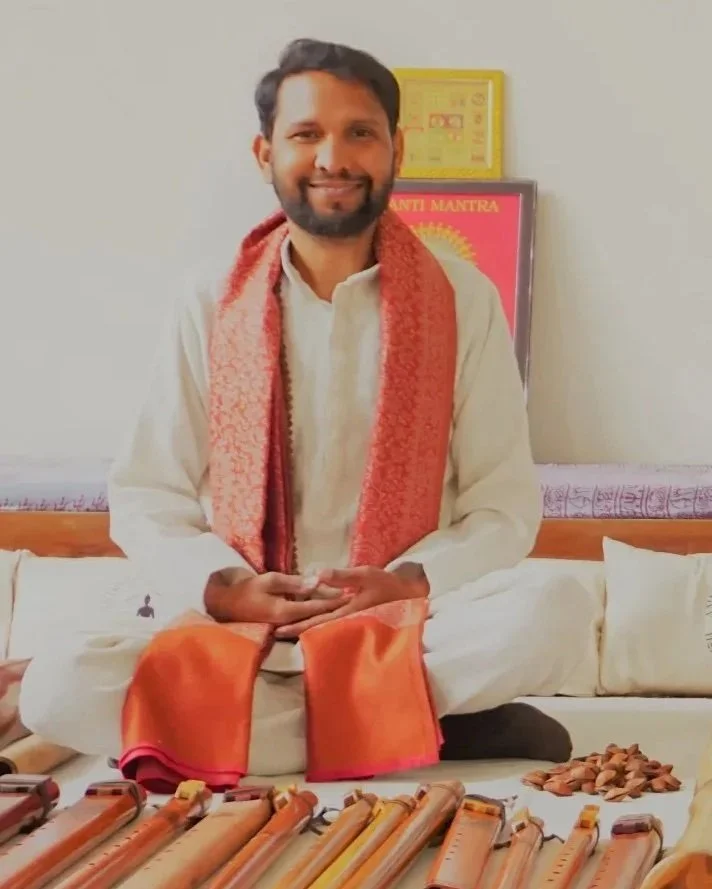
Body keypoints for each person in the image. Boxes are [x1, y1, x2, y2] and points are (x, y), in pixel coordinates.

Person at [20, 38, 592, 786]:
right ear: (265, 154)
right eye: (306, 134)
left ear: (397, 150)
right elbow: (147, 493)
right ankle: (423, 727)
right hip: (238, 627)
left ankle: (241, 733)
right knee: (55, 685)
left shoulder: (462, 298)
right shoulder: (209, 300)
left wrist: (406, 581)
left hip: (398, 625)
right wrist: (224, 586)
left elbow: (503, 507)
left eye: (360, 132)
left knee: (557, 608)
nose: (334, 157)